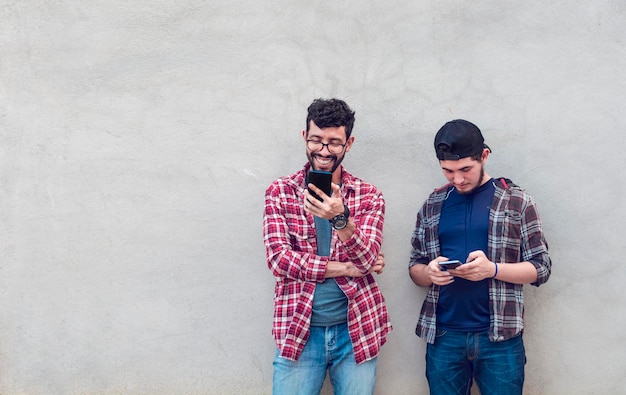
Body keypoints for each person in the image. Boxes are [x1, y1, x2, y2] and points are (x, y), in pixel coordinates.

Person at [408, 119, 551, 395]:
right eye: (448, 171)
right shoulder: (433, 203)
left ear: (484, 156)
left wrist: (492, 269)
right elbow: (415, 265)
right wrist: (430, 273)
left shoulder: (518, 201)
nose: (457, 179)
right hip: (444, 336)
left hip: (500, 339)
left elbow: (541, 268)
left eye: (465, 169)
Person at [263, 98, 392, 395]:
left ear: (349, 143)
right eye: (316, 140)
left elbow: (367, 258)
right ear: (304, 137)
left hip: (356, 329)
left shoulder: (368, 195)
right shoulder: (280, 192)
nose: (323, 150)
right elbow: (279, 260)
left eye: (334, 142)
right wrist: (347, 267)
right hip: (298, 329)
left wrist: (340, 219)